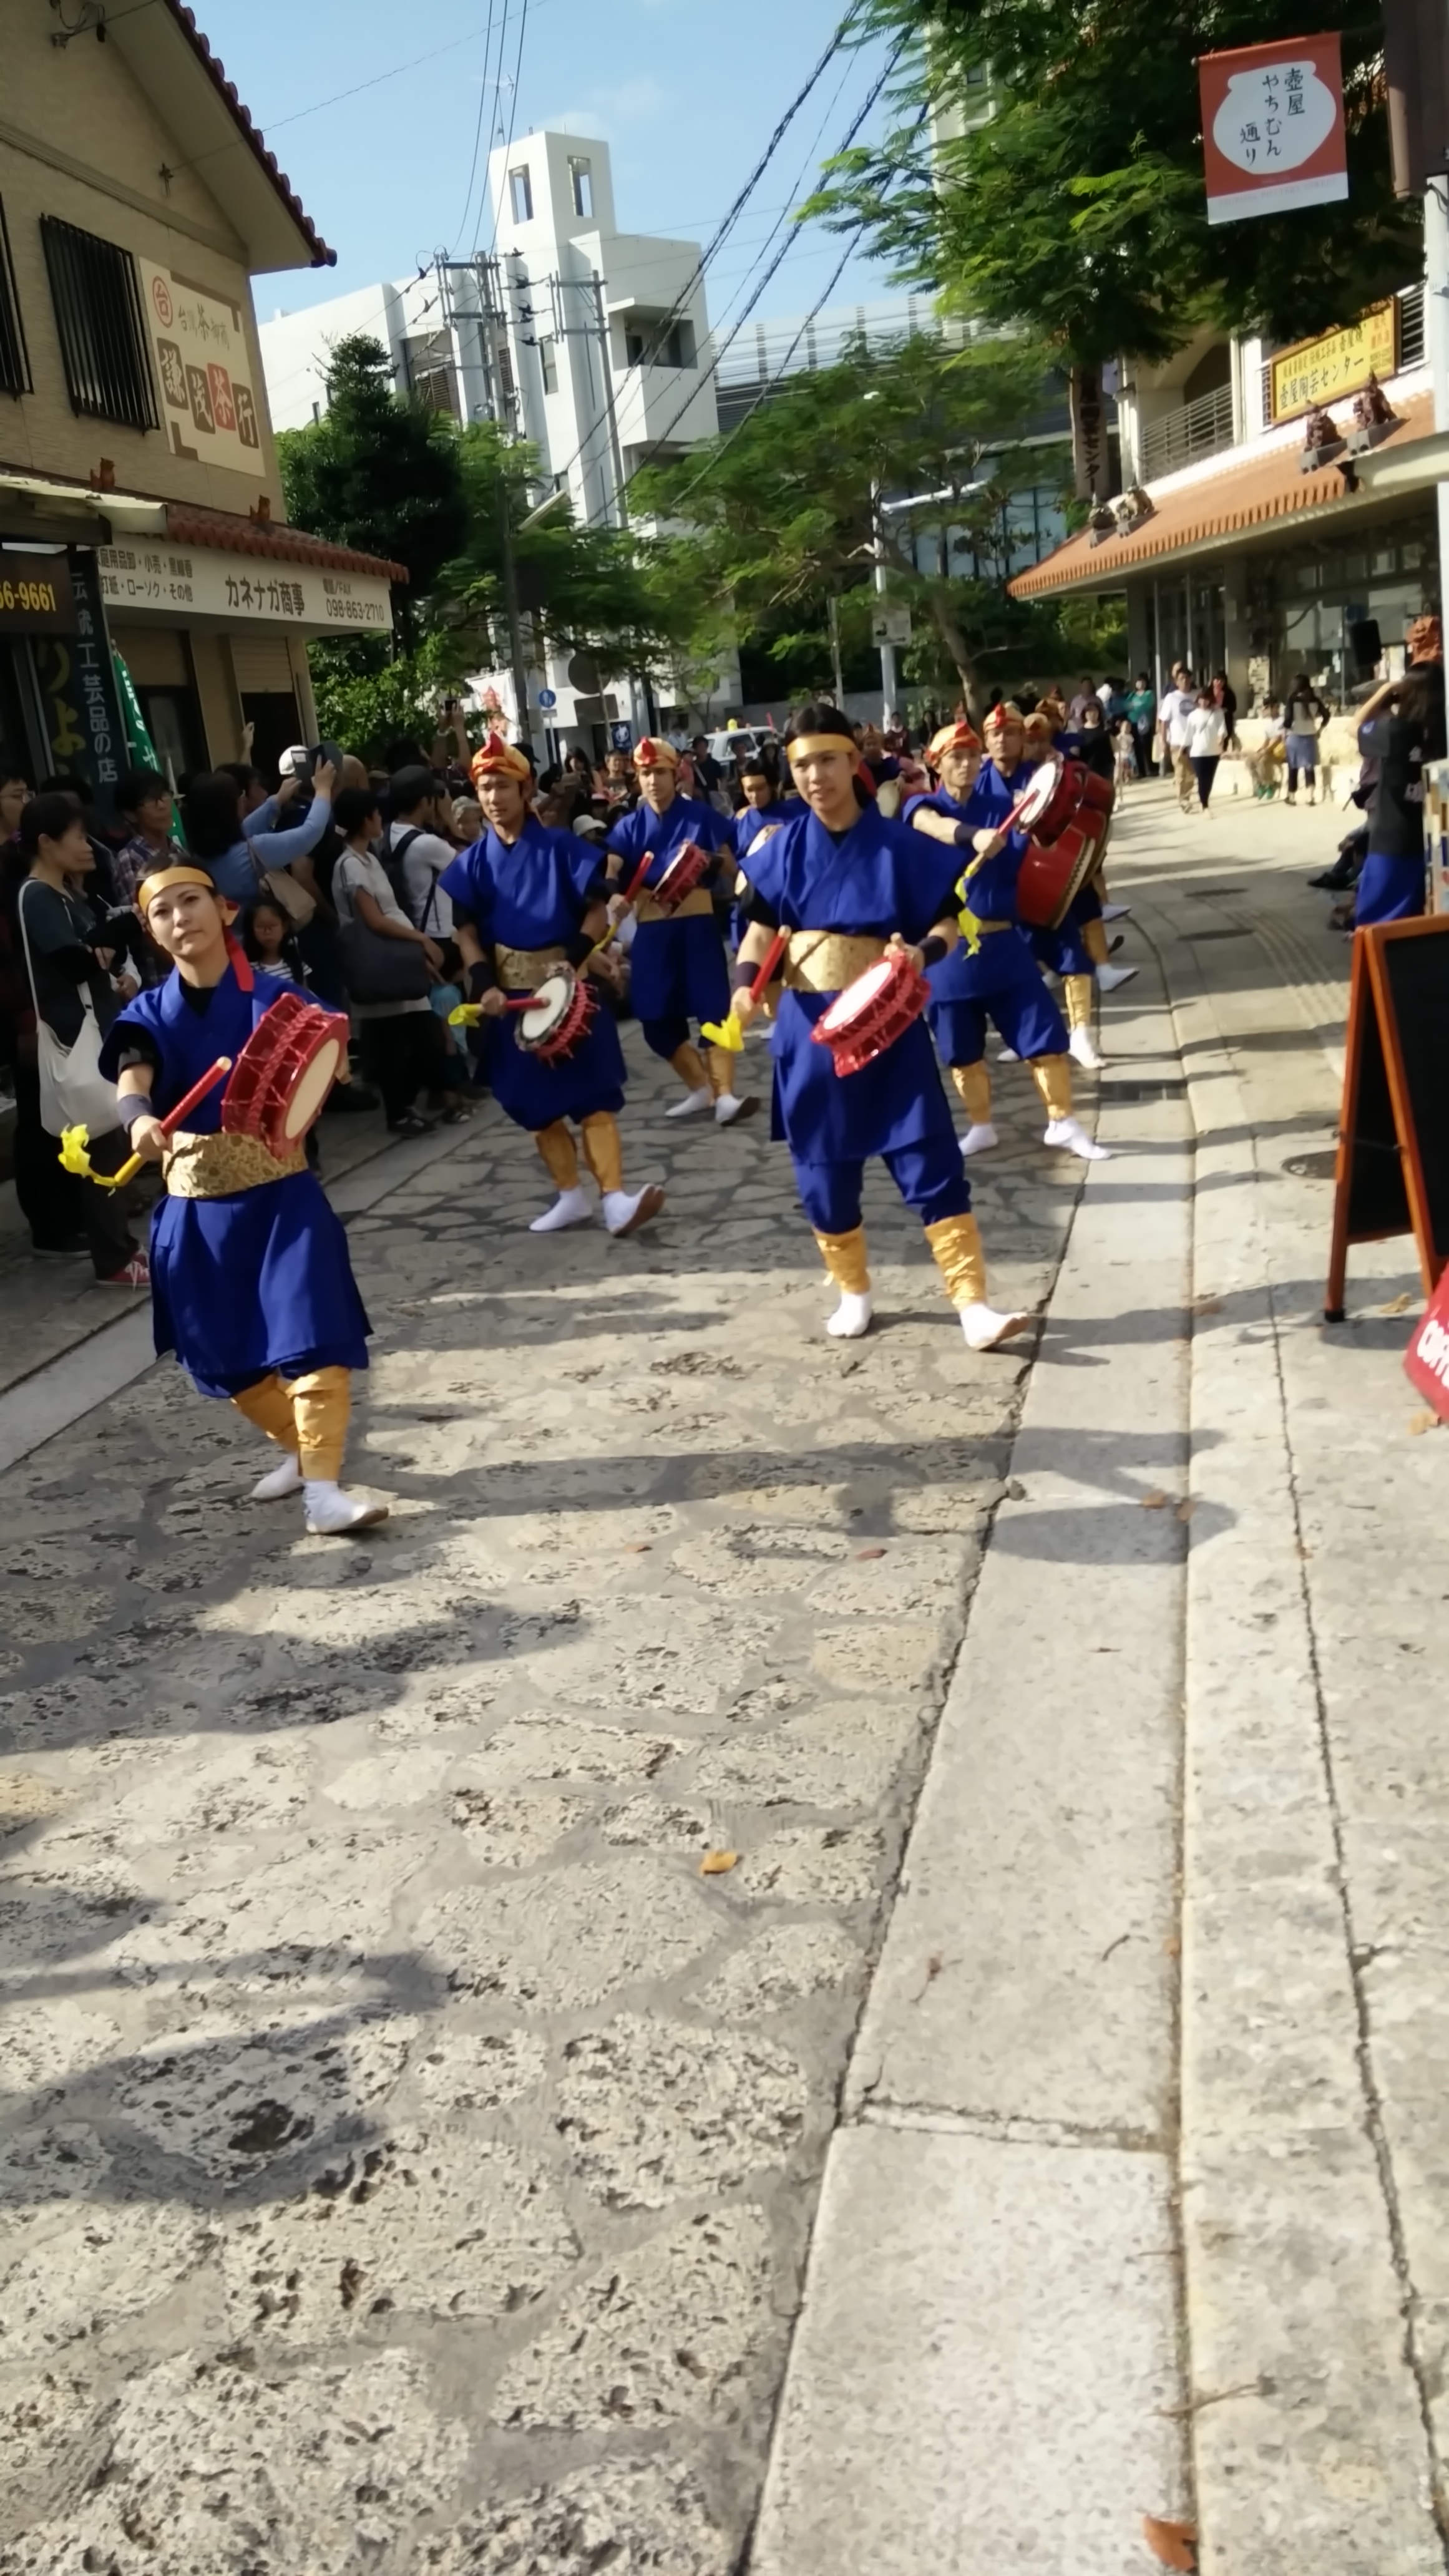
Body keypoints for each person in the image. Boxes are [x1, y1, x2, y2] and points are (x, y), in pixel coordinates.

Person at [731, 703, 1030, 1352]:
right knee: (823, 1177)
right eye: (803, 766)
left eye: (827, 761)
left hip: (890, 1029)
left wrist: (921, 954)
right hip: (810, 1037)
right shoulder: (779, 854)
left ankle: (973, 1304)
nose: (816, 777)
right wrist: (744, 988)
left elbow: (948, 924)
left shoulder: (903, 847)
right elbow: (757, 934)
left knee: (931, 1162)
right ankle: (853, 1291)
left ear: (852, 762)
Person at [99, 863, 383, 1534]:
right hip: (198, 1211)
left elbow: (326, 1047)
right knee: (226, 1360)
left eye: (190, 901)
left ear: (223, 909)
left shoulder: (280, 1001)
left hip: (284, 1199)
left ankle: (324, 1493)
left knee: (314, 1334)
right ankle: (300, 1450)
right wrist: (138, 1120)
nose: (180, 918)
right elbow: (133, 1079)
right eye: (163, 911)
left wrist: (333, 1062)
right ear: (151, 931)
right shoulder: (145, 1015)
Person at [439, 733, 665, 1237]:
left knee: (593, 1099)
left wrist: (573, 960)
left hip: (569, 988)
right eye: (485, 788)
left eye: (503, 786)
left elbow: (594, 912)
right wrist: (484, 985)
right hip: (512, 999)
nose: (494, 797)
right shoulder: (470, 865)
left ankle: (615, 1199)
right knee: (534, 1106)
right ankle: (570, 1196)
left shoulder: (563, 848)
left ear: (525, 790)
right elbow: (466, 934)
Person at [905, 718, 1107, 1166]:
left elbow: (1043, 844)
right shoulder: (920, 805)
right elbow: (932, 826)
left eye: (972, 756)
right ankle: (981, 1126)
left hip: (1004, 948)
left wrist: (1042, 807)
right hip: (948, 955)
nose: (967, 764)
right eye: (956, 757)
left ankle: (1063, 1122)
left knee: (1045, 1039)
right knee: (961, 1052)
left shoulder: (1002, 806)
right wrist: (973, 836)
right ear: (936, 764)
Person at [13, 791, 147, 1283]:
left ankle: (120, 1248)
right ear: (46, 843)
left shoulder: (67, 894)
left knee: (112, 1139)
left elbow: (93, 955)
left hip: (99, 1028)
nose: (87, 845)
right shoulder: (37, 896)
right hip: (77, 1035)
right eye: (77, 836)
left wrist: (111, 954)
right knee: (104, 1145)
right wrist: (121, 931)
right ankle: (114, 1258)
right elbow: (73, 962)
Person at [605, 736, 754, 1126]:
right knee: (653, 1017)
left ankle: (725, 1095)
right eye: (645, 774)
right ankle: (701, 1087)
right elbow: (612, 865)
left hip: (697, 927)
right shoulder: (629, 825)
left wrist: (710, 860)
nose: (653, 781)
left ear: (676, 775)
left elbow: (731, 865)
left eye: (660, 773)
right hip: (653, 931)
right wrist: (613, 893)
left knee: (713, 1011)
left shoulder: (700, 816)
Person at [332, 784, 457, 1136]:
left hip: (397, 957)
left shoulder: (368, 859)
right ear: (365, 820)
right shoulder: (350, 865)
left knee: (419, 1039)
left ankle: (407, 1107)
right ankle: (399, 1112)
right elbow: (374, 919)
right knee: (399, 1044)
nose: (380, 821)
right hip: (382, 961)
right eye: (375, 815)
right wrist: (420, 940)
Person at [1351, 661, 1447, 924]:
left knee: (1376, 925)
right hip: (1432, 841)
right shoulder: (1444, 733)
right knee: (1416, 921)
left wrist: (1384, 691)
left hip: (1393, 839)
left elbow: (1354, 726)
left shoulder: (1395, 730)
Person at [182, 758, 335, 908]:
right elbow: (310, 833)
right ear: (227, 809)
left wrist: (277, 800)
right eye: (239, 795)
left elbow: (245, 828)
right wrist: (323, 790)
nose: (243, 799)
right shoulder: (254, 852)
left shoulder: (197, 858)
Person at [112, 766, 182, 988]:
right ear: (130, 814)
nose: (163, 805)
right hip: (162, 977)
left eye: (164, 795)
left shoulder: (178, 852)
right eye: (152, 800)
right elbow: (140, 927)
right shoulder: (129, 858)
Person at [383, 765, 457, 938]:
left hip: (416, 926)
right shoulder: (427, 843)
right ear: (424, 802)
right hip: (440, 933)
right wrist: (450, 817)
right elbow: (473, 866)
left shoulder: (390, 831)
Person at [1282, 674, 1330, 805]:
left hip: (1294, 737)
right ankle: (1310, 797)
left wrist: (1285, 730)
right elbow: (1326, 715)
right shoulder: (1315, 700)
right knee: (1309, 767)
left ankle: (1291, 797)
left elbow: (1288, 721)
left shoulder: (1292, 700)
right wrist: (1320, 729)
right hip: (1310, 736)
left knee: (1293, 767)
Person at [243, 894, 310, 985]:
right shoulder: (248, 968)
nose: (267, 932)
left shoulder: (294, 960)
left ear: (285, 927)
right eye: (261, 927)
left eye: (272, 926)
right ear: (252, 930)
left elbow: (304, 991)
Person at [1185, 688, 1226, 811]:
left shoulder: (1217, 713)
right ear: (1198, 700)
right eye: (1201, 699)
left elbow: (1222, 728)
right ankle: (1204, 804)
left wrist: (1221, 738)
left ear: (1210, 700)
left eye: (1206, 699)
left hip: (1213, 751)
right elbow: (1188, 734)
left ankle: (1204, 800)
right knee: (1201, 778)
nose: (1204, 702)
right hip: (1197, 752)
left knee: (1209, 779)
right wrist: (1183, 747)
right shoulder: (1193, 715)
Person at [1124, 673, 1156, 779]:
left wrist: (1134, 706)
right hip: (1133, 723)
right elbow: (1126, 705)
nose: (1140, 684)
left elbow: (1145, 705)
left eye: (1143, 681)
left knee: (1146, 746)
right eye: (1138, 681)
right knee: (1137, 747)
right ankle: (1141, 771)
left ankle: (1150, 769)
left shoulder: (1149, 694)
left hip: (1145, 723)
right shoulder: (1132, 695)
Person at [1113, 718, 1139, 789]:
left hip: (1128, 754)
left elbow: (1131, 745)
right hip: (1120, 755)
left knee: (1128, 768)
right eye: (1125, 726)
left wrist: (1132, 752)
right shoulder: (1120, 736)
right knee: (1119, 768)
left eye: (1129, 727)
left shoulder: (1130, 736)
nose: (1127, 728)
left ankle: (1127, 778)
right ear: (1121, 728)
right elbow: (1116, 744)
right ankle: (1116, 780)